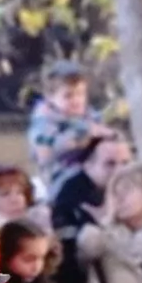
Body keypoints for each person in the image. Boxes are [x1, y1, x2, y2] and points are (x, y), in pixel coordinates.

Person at [25, 63, 103, 201]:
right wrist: (77, 140)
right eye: (68, 96)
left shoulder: (90, 118)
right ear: (50, 98)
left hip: (94, 173)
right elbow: (43, 153)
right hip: (62, 178)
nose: (76, 100)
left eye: (80, 94)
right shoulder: (45, 122)